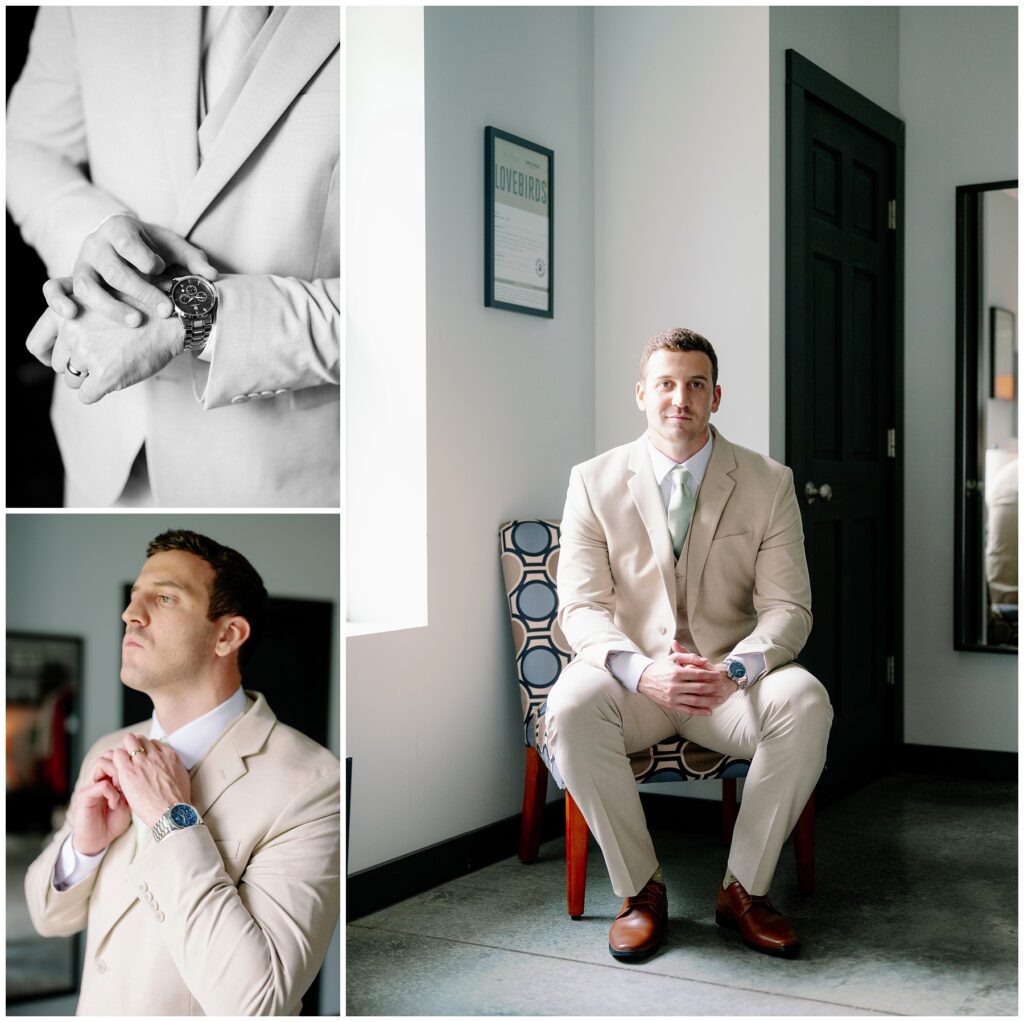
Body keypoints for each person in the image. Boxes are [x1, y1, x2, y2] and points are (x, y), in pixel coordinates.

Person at [548, 327, 833, 961]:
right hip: (635, 686)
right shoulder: (592, 481)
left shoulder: (768, 482)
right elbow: (581, 609)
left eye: (696, 385)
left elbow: (789, 608)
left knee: (807, 699)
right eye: (668, 384)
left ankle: (745, 891)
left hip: (729, 686)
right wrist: (642, 672)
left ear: (716, 395)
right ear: (642, 394)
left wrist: (735, 669)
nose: (682, 398)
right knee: (569, 705)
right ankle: (640, 891)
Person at [6, 6, 340, 507]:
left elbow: (418, 309)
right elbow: (26, 146)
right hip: (105, 455)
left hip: (285, 481)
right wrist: (105, 260)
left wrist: (189, 316)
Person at [24, 530, 340, 1015]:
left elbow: (258, 1004)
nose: (131, 614)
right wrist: (82, 848)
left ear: (227, 635)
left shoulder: (315, 785)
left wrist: (171, 819)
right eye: (134, 598)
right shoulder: (108, 751)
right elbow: (48, 918)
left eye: (165, 597)